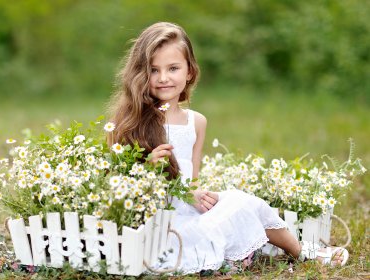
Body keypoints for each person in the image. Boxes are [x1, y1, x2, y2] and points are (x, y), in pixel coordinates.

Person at [107, 22, 348, 275]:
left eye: (173, 68)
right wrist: (148, 170)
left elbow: (191, 182)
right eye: (154, 70)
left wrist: (199, 194)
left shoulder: (196, 122)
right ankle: (230, 258)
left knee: (241, 201)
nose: (164, 78)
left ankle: (302, 252)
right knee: (216, 225)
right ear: (141, 75)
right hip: (160, 225)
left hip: (190, 213)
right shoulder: (132, 123)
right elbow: (118, 187)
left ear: (190, 72)